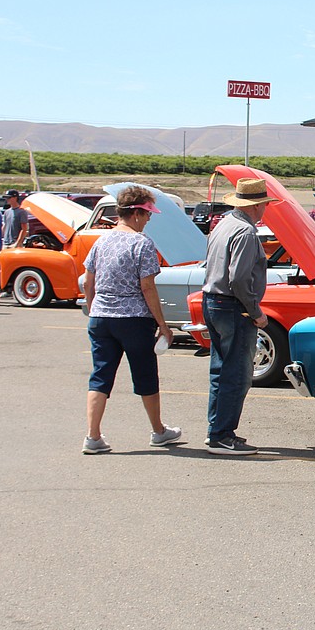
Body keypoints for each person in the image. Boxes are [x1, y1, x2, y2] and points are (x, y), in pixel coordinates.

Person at [81, 185, 180, 454]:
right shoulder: (142, 243)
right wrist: (162, 324)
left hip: (102, 316)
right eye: (148, 215)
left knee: (100, 376)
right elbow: (148, 287)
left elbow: (88, 281)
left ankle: (93, 436)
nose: (149, 220)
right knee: (146, 375)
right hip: (134, 318)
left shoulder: (101, 241)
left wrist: (94, 309)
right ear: (136, 213)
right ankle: (158, 431)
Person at [201, 177, 280, 455]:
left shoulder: (224, 225)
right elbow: (239, 279)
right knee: (237, 373)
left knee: (220, 370)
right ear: (257, 206)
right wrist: (256, 312)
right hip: (233, 306)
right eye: (264, 205)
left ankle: (217, 431)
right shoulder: (245, 232)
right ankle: (222, 434)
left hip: (213, 300)